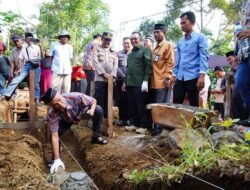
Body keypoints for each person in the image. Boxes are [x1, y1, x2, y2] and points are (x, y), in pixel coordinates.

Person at [40, 88, 108, 174]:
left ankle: (96, 137)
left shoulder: (76, 97)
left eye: (60, 100)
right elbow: (54, 135)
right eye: (55, 104)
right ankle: (55, 159)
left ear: (60, 95)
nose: (60, 104)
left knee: (98, 109)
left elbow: (94, 100)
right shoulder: (52, 112)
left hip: (81, 115)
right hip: (66, 121)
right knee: (57, 133)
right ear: (51, 105)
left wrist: (92, 110)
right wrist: (57, 159)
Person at [171, 11, 209, 107]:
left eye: (184, 22)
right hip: (180, 77)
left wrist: (202, 75)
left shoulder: (200, 37)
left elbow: (204, 56)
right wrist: (174, 75)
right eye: (181, 23)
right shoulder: (180, 42)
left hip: (194, 77)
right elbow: (178, 60)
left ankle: (195, 122)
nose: (182, 25)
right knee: (176, 103)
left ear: (192, 22)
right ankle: (178, 122)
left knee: (194, 105)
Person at [122, 32, 152, 129]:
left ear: (140, 39)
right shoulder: (130, 53)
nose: (133, 40)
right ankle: (135, 124)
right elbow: (128, 69)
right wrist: (125, 82)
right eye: (132, 39)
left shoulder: (145, 50)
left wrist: (146, 81)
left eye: (135, 38)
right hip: (130, 83)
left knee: (141, 105)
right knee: (132, 105)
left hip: (140, 83)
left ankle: (143, 126)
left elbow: (148, 66)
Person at [150, 23, 174, 135]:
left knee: (162, 105)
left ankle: (159, 129)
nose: (155, 34)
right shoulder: (155, 48)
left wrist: (168, 77)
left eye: (158, 32)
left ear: (164, 33)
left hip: (162, 81)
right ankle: (157, 127)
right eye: (154, 32)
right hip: (154, 82)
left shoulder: (167, 45)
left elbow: (170, 62)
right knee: (157, 105)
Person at [4, 32, 41, 102]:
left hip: (34, 66)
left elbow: (39, 57)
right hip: (24, 67)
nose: (16, 43)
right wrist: (17, 70)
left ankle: (36, 100)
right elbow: (15, 61)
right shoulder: (17, 49)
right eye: (15, 41)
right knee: (15, 79)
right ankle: (8, 95)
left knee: (35, 84)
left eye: (17, 41)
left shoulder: (35, 47)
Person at [93, 32, 118, 118]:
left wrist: (112, 75)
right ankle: (98, 118)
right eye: (106, 39)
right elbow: (95, 62)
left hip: (110, 80)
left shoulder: (113, 51)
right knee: (99, 98)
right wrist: (104, 74)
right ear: (102, 39)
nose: (107, 42)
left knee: (109, 99)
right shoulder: (96, 48)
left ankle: (108, 118)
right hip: (100, 79)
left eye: (109, 40)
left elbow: (116, 64)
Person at [234, 0, 250, 121]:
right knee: (241, 82)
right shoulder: (245, 4)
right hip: (244, 53)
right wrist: (237, 53)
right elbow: (241, 33)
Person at [225, 51, 248, 120]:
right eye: (228, 60)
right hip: (237, 101)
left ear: (236, 57)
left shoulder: (245, 66)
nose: (229, 61)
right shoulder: (231, 71)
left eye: (230, 59)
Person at [116, 37, 132, 126]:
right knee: (121, 100)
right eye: (125, 43)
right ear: (122, 44)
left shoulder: (134, 53)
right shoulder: (118, 54)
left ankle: (129, 119)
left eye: (128, 43)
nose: (126, 45)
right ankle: (122, 118)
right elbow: (116, 67)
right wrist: (123, 77)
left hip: (131, 81)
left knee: (129, 100)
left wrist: (128, 78)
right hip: (120, 80)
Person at [51, 30, 73, 94]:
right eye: (63, 37)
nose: (65, 38)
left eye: (66, 37)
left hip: (67, 70)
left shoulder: (70, 47)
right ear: (60, 38)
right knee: (54, 88)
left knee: (66, 89)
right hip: (57, 69)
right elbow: (51, 56)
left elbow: (70, 58)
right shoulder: (54, 45)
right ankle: (54, 102)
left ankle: (65, 103)